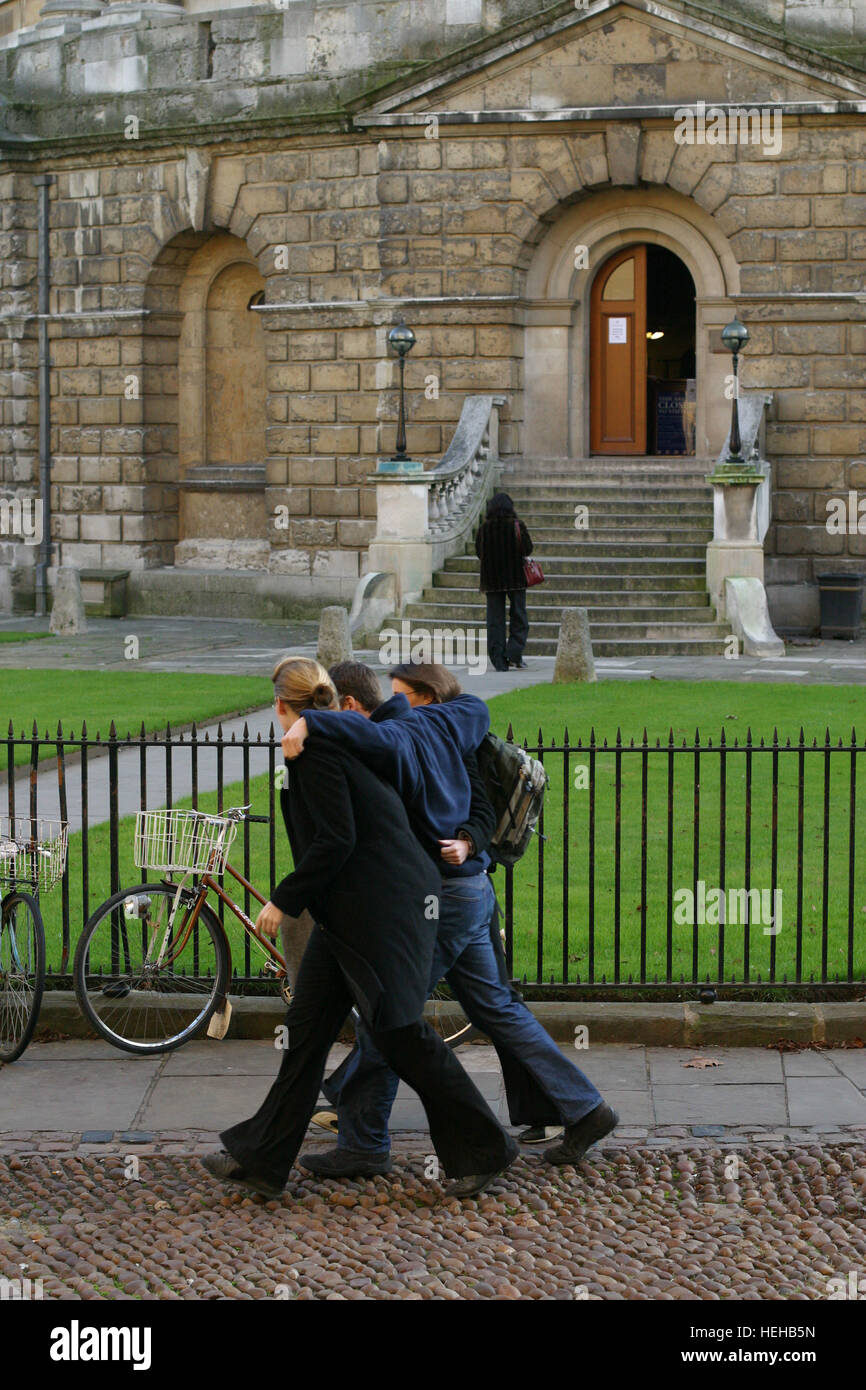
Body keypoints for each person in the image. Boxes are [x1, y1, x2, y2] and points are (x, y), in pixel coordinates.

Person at [284, 660, 619, 1178]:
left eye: (407, 695)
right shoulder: (426, 733)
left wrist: (310, 724)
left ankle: (363, 1139)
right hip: (470, 895)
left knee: (386, 1016)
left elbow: (472, 802)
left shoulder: (407, 738)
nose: (401, 704)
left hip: (444, 898)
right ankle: (586, 1108)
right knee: (495, 1007)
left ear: (349, 708)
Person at [202, 657, 518, 1201]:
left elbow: (337, 840)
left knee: (400, 1034)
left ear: (280, 705)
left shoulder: (318, 752)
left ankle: (484, 1147)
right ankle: (262, 1156)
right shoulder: (333, 741)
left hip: (385, 912)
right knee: (306, 1034)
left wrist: (284, 899)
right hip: (350, 913)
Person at [475, 491, 533, 672]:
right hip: (515, 577)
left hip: (492, 579)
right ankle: (515, 652)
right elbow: (528, 549)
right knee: (519, 615)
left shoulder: (484, 529)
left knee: (494, 620)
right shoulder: (517, 525)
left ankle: (498, 660)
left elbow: (479, 553)